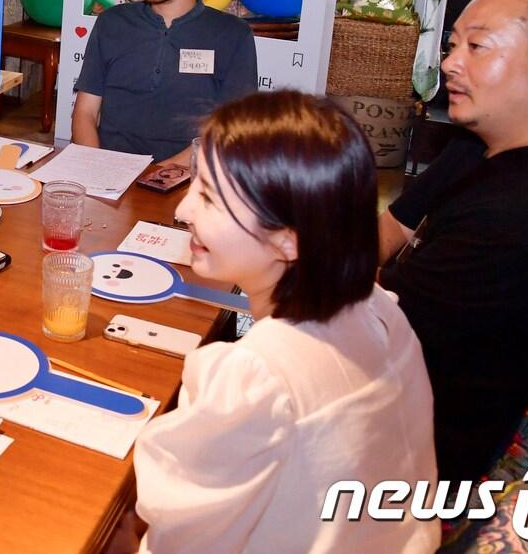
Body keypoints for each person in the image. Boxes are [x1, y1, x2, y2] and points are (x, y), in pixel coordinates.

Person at [127, 91, 437, 554]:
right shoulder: (380, 309)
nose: (182, 209)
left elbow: (180, 540)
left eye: (209, 197)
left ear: (289, 240)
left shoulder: (257, 377)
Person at [378, 0, 528, 483]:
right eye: (452, 44)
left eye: (477, 46)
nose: (449, 63)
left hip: (407, 458)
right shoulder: (485, 142)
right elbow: (391, 229)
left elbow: (373, 338)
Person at [72, 0, 256, 165]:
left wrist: (154, 178)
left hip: (187, 186)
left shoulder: (233, 36)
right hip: (108, 179)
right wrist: (101, 172)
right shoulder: (111, 24)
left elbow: (231, 132)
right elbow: (85, 113)